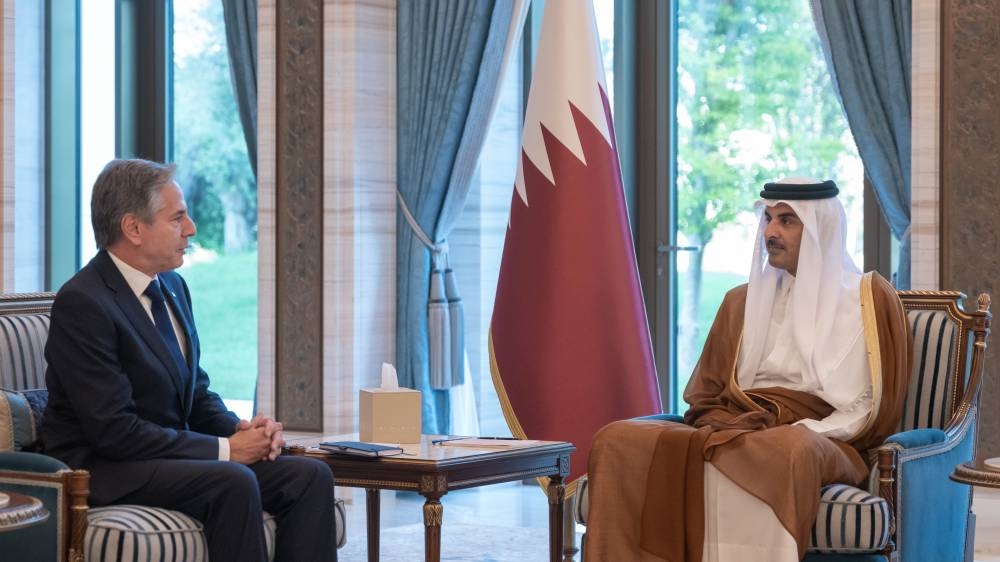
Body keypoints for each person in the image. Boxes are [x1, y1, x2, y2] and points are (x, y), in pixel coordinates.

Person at [585, 177, 911, 562]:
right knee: (617, 438)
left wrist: (802, 429)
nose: (771, 232)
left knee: (789, 449)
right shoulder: (740, 302)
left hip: (825, 438)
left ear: (821, 228)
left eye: (787, 221)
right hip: (738, 426)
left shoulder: (867, 301)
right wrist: (736, 425)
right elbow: (706, 395)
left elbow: (872, 405)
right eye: (768, 219)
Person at [41, 158, 338, 562]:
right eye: (177, 218)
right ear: (133, 228)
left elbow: (194, 393)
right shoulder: (84, 303)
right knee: (231, 480)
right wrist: (225, 450)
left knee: (309, 476)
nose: (192, 229)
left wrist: (241, 429)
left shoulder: (174, 287)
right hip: (106, 467)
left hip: (167, 457)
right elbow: (114, 431)